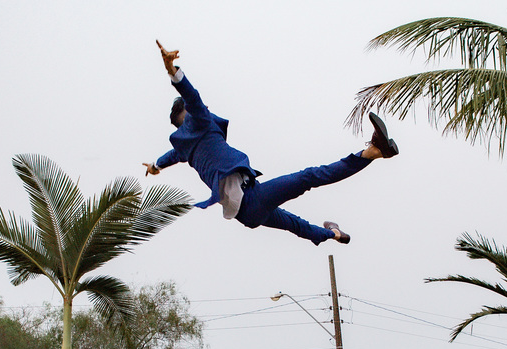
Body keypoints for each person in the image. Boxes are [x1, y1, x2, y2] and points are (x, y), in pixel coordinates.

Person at [144, 41, 398, 246]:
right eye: (203, 109)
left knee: (297, 225)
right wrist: (172, 70)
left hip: (247, 211)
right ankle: (372, 151)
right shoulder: (199, 120)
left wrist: (156, 166)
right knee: (309, 177)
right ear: (188, 116)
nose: (208, 109)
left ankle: (335, 234)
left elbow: (170, 156)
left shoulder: (185, 148)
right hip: (251, 201)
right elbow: (192, 97)